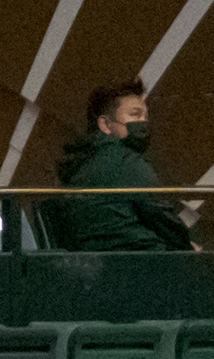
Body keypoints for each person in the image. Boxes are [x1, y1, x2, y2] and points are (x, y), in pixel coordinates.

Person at [46, 80, 193, 252]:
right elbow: (162, 217)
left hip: (96, 265)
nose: (143, 122)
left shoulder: (80, 163)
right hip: (137, 263)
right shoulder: (126, 161)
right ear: (106, 125)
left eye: (145, 116)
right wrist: (188, 248)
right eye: (135, 115)